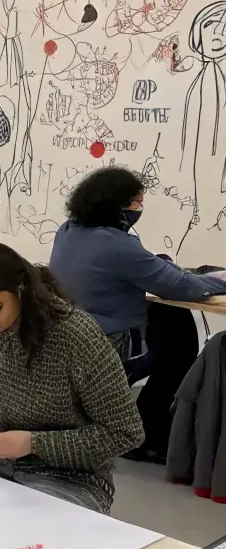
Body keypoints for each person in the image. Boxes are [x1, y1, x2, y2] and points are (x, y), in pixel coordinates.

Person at [0, 243, 143, 514]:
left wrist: (33, 443)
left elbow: (125, 433)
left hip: (70, 477)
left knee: (28, 530)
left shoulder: (74, 335)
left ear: (20, 289)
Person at [49, 166, 226, 462]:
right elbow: (181, 286)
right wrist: (219, 280)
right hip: (109, 344)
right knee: (179, 344)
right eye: (136, 203)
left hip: (69, 337)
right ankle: (146, 434)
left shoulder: (68, 231)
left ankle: (146, 423)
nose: (138, 209)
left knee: (166, 319)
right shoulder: (119, 245)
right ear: (117, 205)